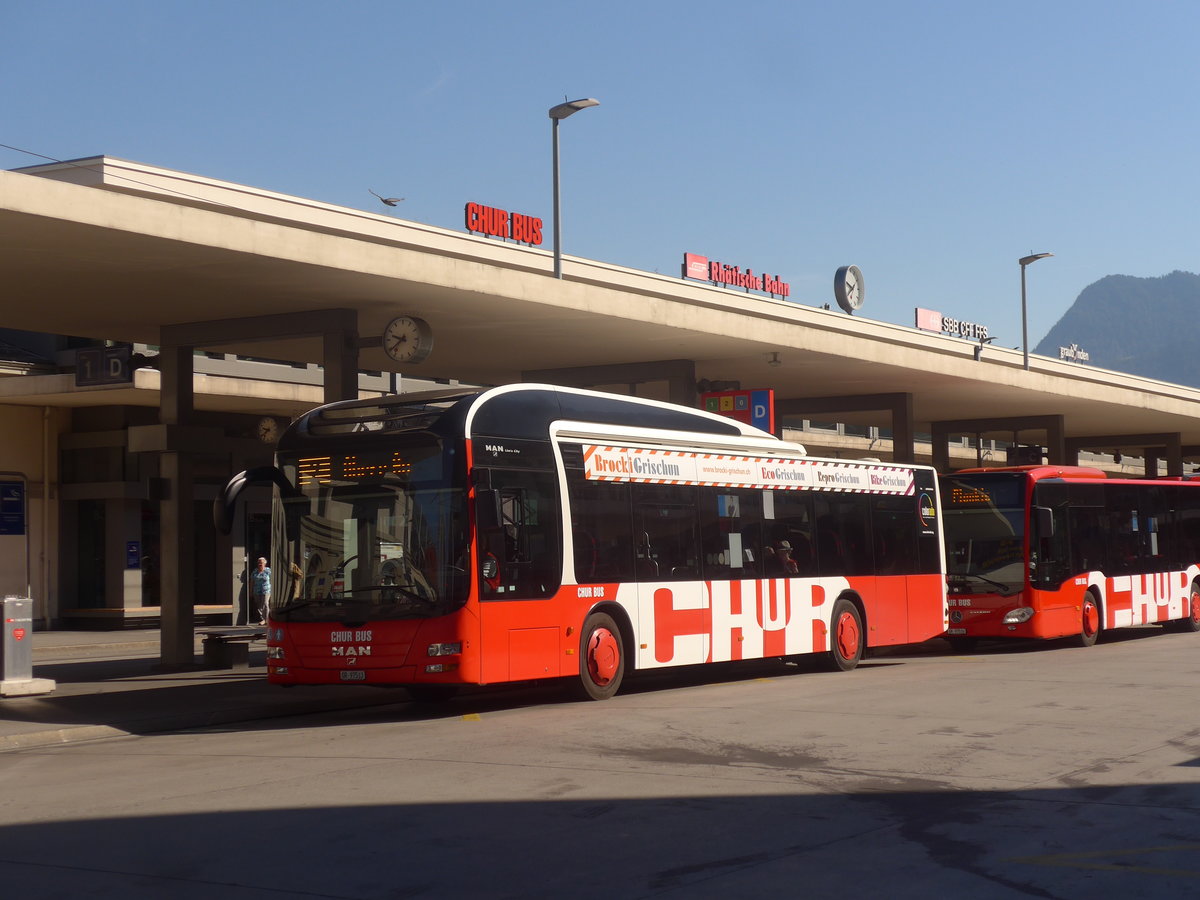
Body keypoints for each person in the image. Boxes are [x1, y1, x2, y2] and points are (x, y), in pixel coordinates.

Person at [249, 557, 271, 625]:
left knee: (265, 604)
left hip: (266, 590)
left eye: (261, 562)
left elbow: (273, 580)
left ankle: (267, 620)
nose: (260, 564)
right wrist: (250, 591)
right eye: (259, 562)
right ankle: (263, 619)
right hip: (257, 591)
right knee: (259, 606)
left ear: (265, 563)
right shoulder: (255, 571)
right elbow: (252, 582)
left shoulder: (268, 571)